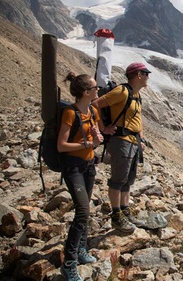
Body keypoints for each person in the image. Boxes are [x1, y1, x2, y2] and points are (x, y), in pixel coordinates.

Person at [92, 62, 149, 233]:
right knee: (118, 179)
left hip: (133, 141)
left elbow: (138, 119)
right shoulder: (122, 91)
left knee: (128, 179)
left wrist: (142, 138)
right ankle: (116, 215)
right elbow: (95, 105)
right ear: (138, 75)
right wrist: (102, 128)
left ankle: (125, 210)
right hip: (121, 140)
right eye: (146, 73)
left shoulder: (136, 95)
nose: (148, 76)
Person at [58, 73, 104, 281]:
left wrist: (97, 138)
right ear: (86, 92)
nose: (98, 91)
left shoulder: (92, 112)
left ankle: (82, 249)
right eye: (95, 89)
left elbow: (96, 139)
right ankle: (69, 264)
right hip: (74, 167)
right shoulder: (70, 113)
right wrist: (86, 144)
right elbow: (62, 145)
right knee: (83, 211)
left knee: (85, 211)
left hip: (89, 165)